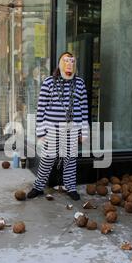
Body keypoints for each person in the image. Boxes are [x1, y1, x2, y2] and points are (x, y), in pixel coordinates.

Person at [27, 52, 89, 201]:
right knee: (47, 159)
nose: (69, 65)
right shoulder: (49, 82)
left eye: (72, 62)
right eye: (66, 62)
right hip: (52, 130)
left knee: (70, 159)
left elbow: (84, 108)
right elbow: (41, 108)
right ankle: (38, 186)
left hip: (72, 129)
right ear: (60, 64)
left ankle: (71, 187)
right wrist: (41, 132)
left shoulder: (79, 83)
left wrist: (83, 131)